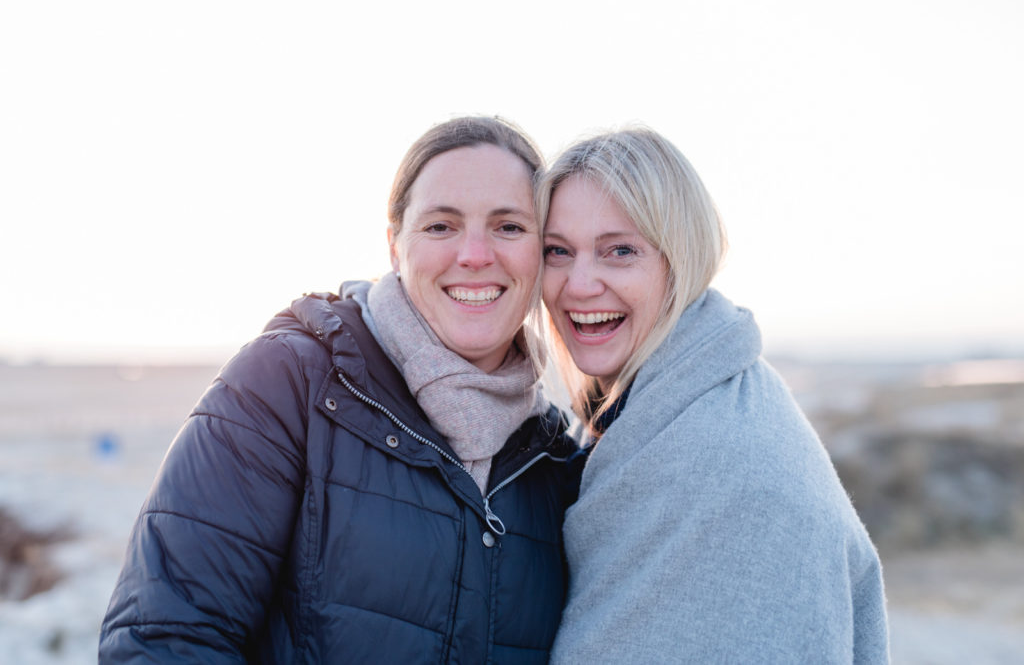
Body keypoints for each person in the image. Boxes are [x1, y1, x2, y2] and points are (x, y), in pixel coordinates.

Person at [100, 117, 578, 663]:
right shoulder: (287, 383)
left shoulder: (554, 461)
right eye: (440, 226)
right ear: (395, 246)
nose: (474, 254)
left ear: (544, 251)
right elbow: (164, 640)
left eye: (508, 227)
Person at [538, 128, 889, 663]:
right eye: (557, 252)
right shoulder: (635, 412)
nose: (579, 284)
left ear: (681, 260)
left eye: (620, 251)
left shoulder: (733, 460)